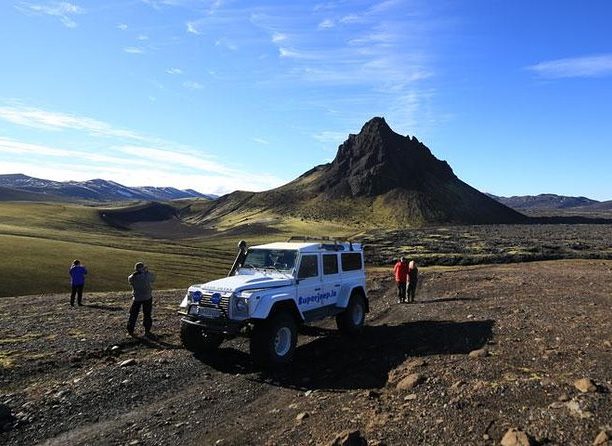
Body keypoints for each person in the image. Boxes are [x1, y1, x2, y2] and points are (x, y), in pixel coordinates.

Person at [127, 262, 156, 337]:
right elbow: (153, 278)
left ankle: (130, 331)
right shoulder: (147, 275)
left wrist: (135, 273)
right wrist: (146, 272)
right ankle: (147, 331)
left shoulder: (133, 277)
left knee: (133, 315)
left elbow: (130, 280)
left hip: (137, 298)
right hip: (147, 297)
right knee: (147, 314)